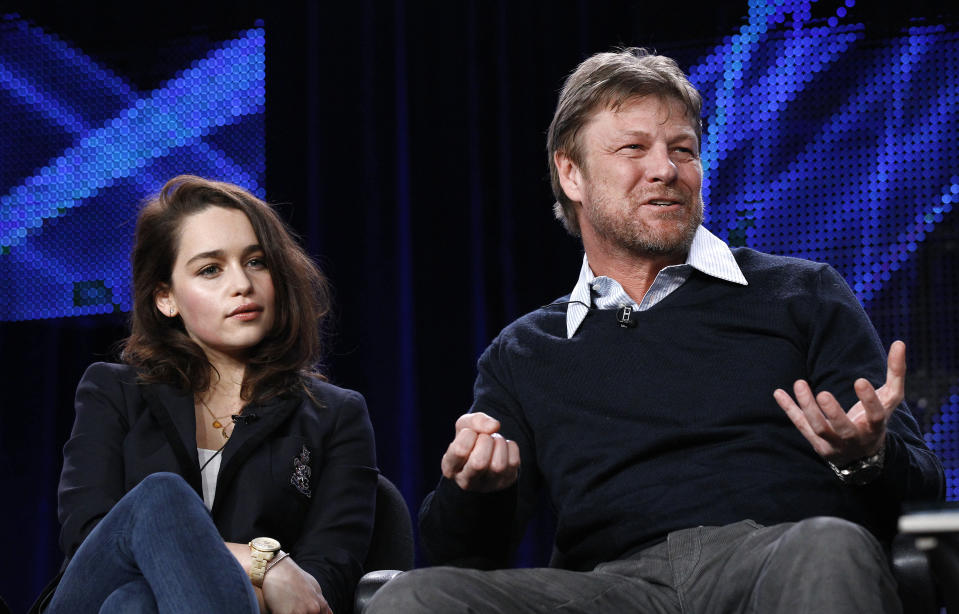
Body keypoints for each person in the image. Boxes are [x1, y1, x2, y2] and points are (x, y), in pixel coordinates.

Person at [366, 48, 945, 613]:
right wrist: (476, 491)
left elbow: (922, 489)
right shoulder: (525, 352)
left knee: (830, 546)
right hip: (611, 588)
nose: (665, 169)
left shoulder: (802, 294)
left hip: (776, 563)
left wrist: (865, 458)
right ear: (571, 173)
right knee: (415, 597)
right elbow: (460, 556)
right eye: (634, 148)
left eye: (683, 150)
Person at [32, 176, 377, 614]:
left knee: (136, 603)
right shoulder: (112, 390)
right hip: (88, 598)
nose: (242, 285)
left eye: (256, 262)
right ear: (166, 298)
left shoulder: (335, 414)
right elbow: (91, 535)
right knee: (159, 497)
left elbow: (326, 577)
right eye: (210, 269)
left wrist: (216, 582)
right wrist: (265, 565)